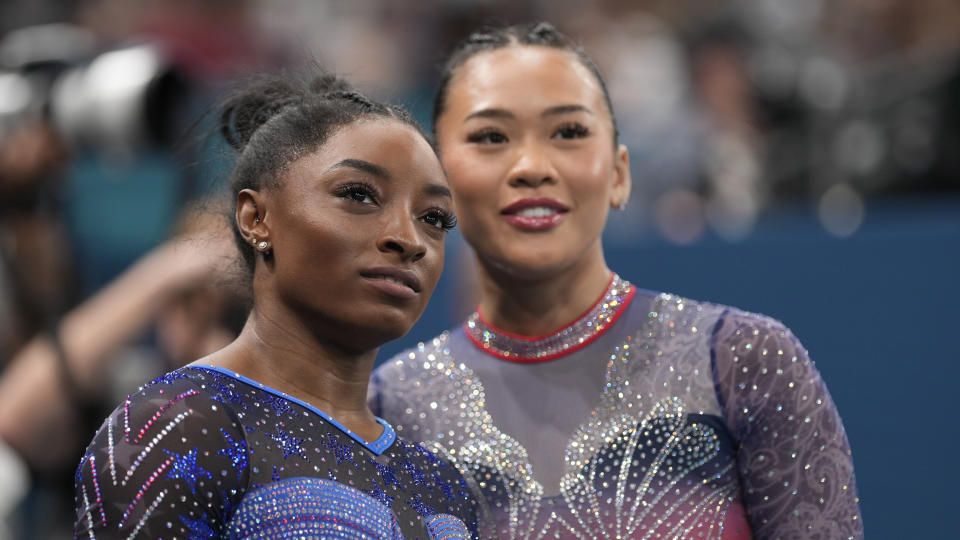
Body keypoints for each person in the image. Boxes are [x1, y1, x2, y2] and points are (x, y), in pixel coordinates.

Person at [369, 22, 863, 539]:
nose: (532, 166)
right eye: (490, 137)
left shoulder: (745, 361)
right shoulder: (391, 410)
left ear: (620, 173)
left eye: (569, 132)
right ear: (437, 184)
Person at [74, 71, 476, 538]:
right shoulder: (178, 427)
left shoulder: (440, 485)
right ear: (256, 218)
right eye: (359, 195)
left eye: (433, 218)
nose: (409, 240)